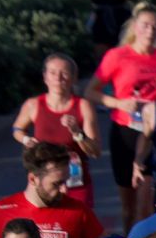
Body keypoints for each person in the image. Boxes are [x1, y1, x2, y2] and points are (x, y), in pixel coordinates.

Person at [85, 4, 156, 226]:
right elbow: (90, 91)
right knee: (129, 205)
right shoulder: (117, 56)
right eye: (145, 25)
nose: (150, 31)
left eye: (155, 26)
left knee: (149, 200)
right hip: (125, 131)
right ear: (135, 27)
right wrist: (119, 103)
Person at [11, 53, 102, 215]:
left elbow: (95, 151)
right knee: (43, 230)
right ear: (45, 77)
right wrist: (26, 140)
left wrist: (77, 132)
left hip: (75, 182)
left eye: (64, 73)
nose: (58, 78)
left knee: (79, 230)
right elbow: (17, 129)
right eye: (52, 73)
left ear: (74, 78)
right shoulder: (33, 105)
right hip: (42, 182)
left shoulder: (83, 106)